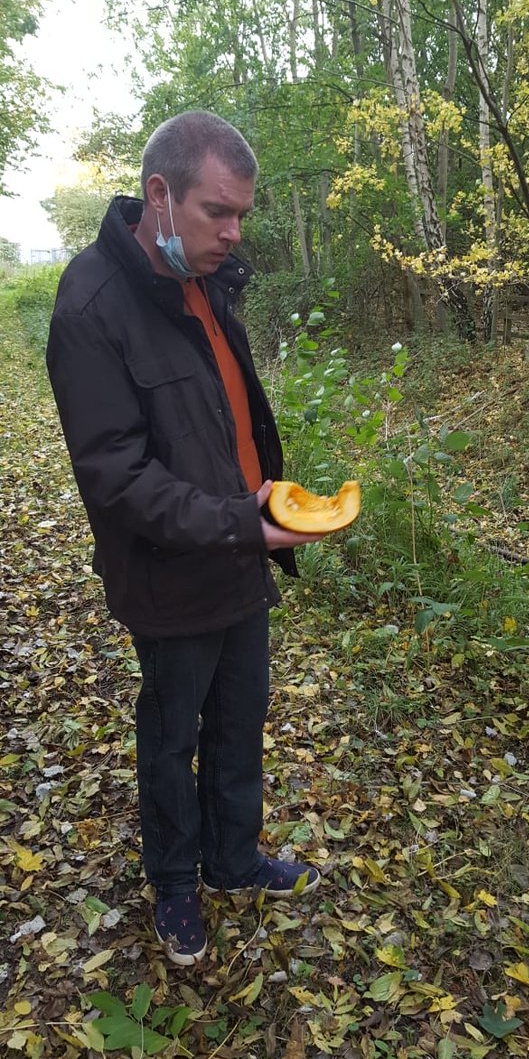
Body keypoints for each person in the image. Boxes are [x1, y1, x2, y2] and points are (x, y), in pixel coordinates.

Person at [46, 111, 327, 966]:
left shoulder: (208, 281)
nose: (234, 231)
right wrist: (245, 519)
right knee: (172, 740)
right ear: (159, 196)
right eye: (218, 211)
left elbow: (227, 422)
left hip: (244, 556)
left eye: (241, 213)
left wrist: (270, 508)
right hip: (170, 578)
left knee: (240, 723)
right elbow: (118, 478)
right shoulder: (92, 302)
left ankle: (232, 861)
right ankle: (174, 885)